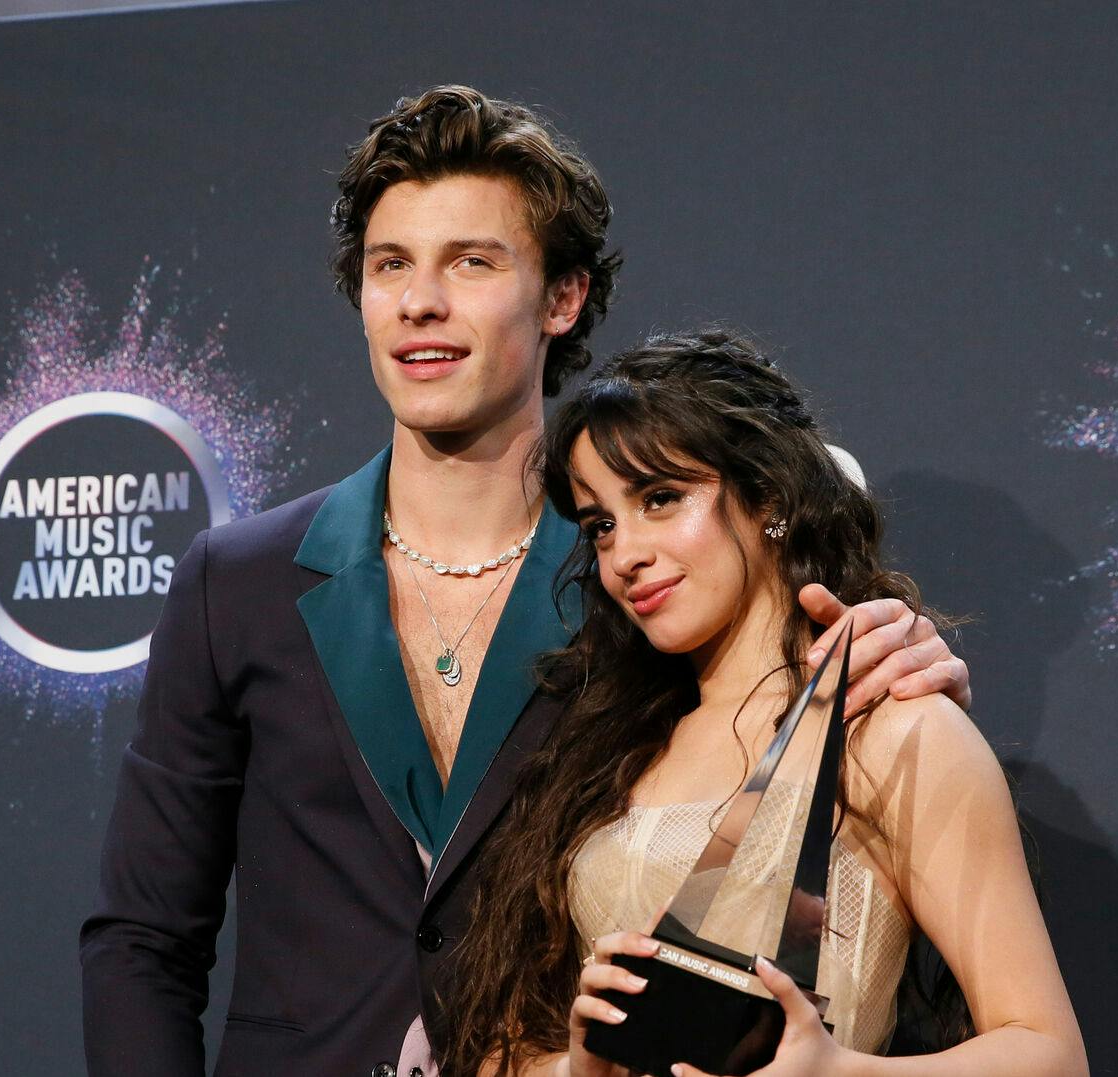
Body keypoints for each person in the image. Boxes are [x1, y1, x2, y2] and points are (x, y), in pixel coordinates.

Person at [79, 87, 972, 1077]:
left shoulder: (643, 580)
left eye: (471, 262)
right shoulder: (235, 584)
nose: (422, 301)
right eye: (391, 266)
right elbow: (144, 942)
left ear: (562, 297)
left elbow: (788, 755)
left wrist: (885, 681)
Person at [439, 331, 1084, 1077]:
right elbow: (502, 1050)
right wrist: (578, 1069)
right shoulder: (595, 748)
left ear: (769, 497)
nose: (624, 554)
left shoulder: (892, 726)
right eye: (601, 525)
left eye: (660, 497)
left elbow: (1050, 1053)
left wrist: (836, 1072)